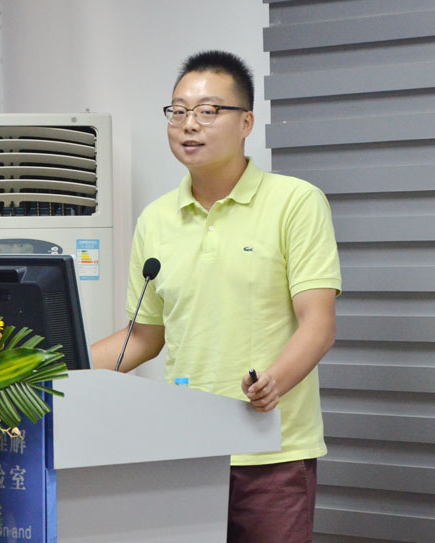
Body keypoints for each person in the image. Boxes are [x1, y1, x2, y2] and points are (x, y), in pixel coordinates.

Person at [92, 50, 341, 543]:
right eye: (178, 111)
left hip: (271, 452)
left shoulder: (295, 202)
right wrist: (50, 369)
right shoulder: (155, 219)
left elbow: (319, 323)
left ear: (246, 122)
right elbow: (143, 338)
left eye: (208, 111)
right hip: (185, 452)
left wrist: (273, 381)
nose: (189, 125)